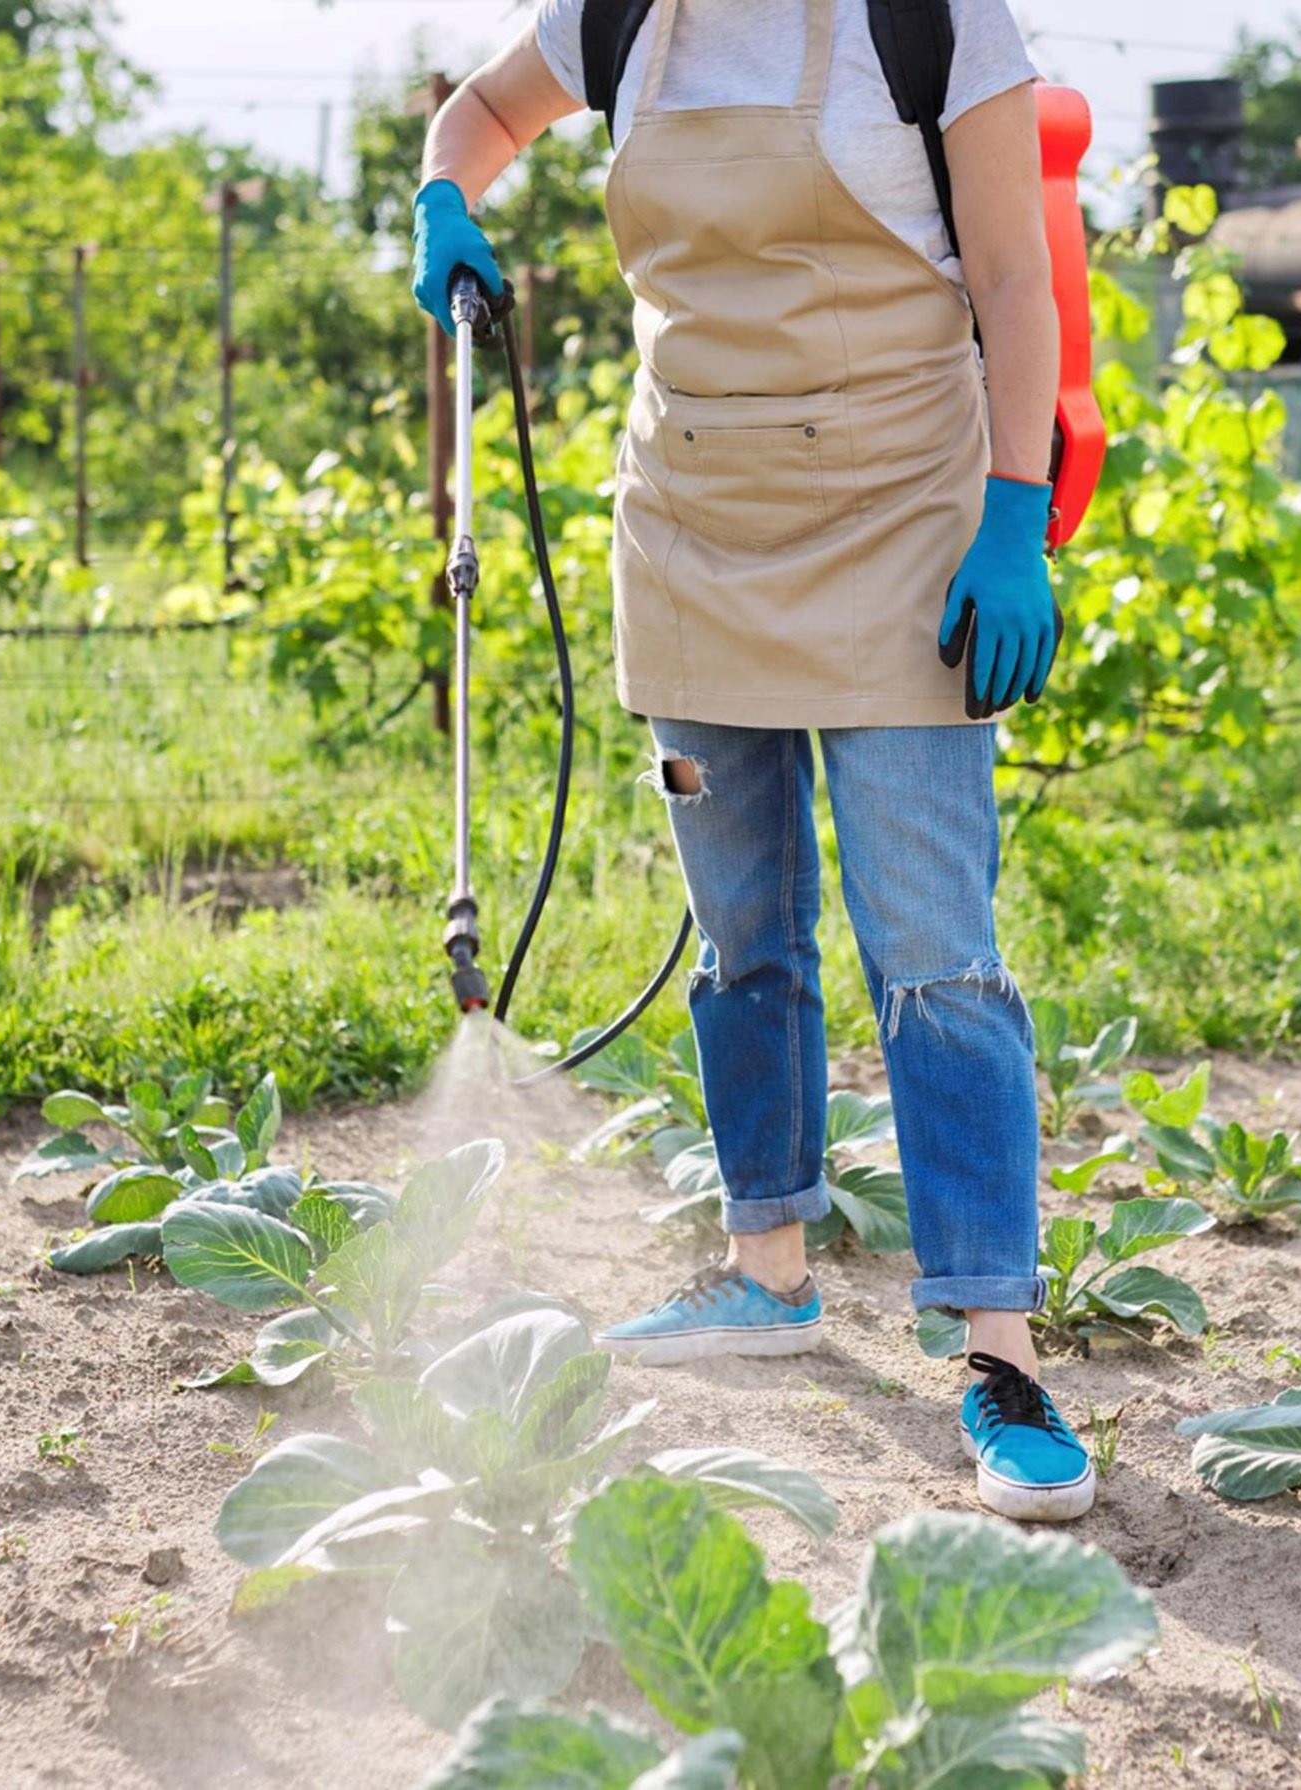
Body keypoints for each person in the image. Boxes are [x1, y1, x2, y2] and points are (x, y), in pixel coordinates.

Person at [412, 0, 1092, 1522]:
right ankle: (766, 1269)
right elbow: (477, 114)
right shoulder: (613, 18)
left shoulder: (925, 21)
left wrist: (1010, 515)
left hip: (904, 518)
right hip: (692, 526)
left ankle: (997, 1349)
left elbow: (1009, 275)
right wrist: (444, 196)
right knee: (737, 932)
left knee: (933, 950)